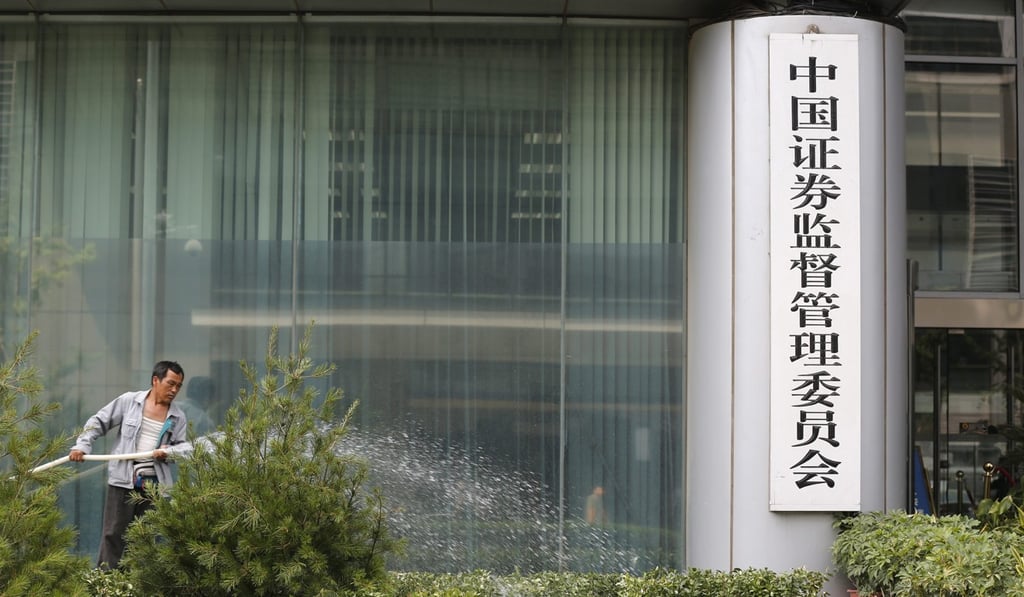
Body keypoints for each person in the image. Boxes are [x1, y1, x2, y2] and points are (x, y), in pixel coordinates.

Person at [69, 361, 190, 569]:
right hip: (123, 480)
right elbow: (98, 422)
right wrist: (82, 446)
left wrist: (168, 452)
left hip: (155, 487)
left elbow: (183, 448)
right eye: (170, 383)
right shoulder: (129, 402)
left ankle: (138, 585)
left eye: (178, 386)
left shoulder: (178, 416)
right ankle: (105, 586)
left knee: (146, 539)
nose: (174, 390)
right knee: (113, 535)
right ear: (155, 380)